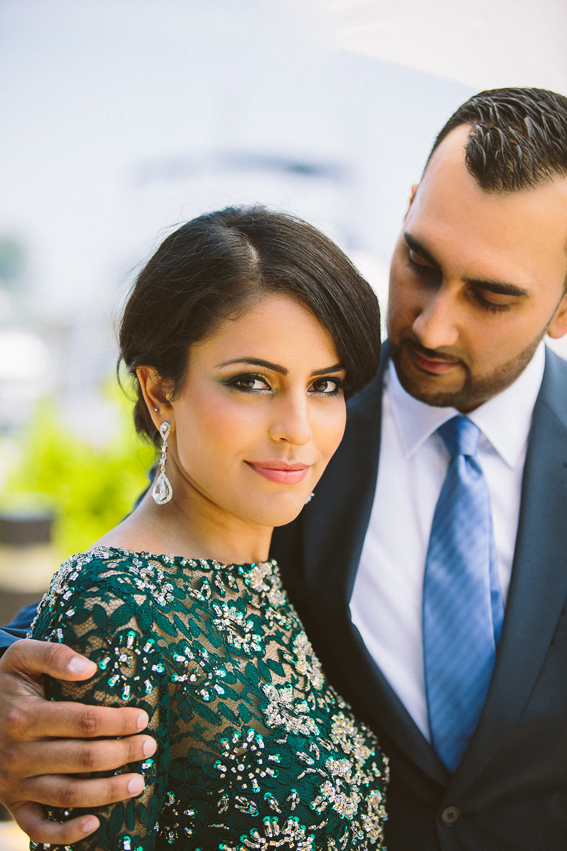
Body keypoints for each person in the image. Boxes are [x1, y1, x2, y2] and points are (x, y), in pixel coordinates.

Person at [2, 85, 567, 850]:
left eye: (491, 296)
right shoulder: (287, 433)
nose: (431, 321)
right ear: (405, 210)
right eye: (420, 261)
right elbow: (126, 590)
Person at [0, 207, 388, 850]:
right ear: (160, 394)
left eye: (324, 385)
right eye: (252, 382)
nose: (298, 428)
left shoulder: (272, 574)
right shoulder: (118, 606)